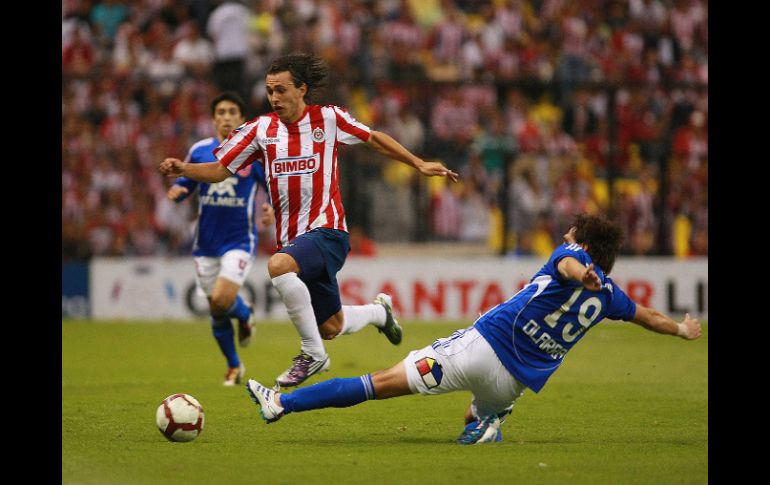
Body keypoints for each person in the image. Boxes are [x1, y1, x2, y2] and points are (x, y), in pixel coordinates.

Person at [242, 214, 703, 444]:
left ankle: (281, 404)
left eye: (570, 234)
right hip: (514, 384)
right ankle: (487, 423)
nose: (564, 238)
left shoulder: (575, 259)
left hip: (479, 350)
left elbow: (565, 265)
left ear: (583, 243)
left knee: (375, 384)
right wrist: (681, 331)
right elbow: (648, 316)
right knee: (474, 415)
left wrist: (576, 270)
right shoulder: (611, 296)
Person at [159, 53, 459, 389]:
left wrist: (418, 163)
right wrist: (184, 169)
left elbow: (373, 138)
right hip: (296, 240)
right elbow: (218, 169)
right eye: (270, 90)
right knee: (332, 325)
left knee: (278, 266)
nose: (275, 98)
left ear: (302, 89)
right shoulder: (260, 129)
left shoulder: (328, 119)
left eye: (282, 90)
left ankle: (311, 354)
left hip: (328, 231)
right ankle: (379, 313)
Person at [165, 91, 275, 386]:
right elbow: (187, 181)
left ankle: (244, 311)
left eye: (232, 112)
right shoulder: (200, 150)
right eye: (221, 112)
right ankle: (235, 364)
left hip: (239, 240)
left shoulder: (252, 153)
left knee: (221, 298)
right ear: (214, 118)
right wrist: (179, 191)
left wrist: (270, 208)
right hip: (206, 244)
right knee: (215, 308)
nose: (226, 117)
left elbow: (273, 187)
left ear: (241, 119)